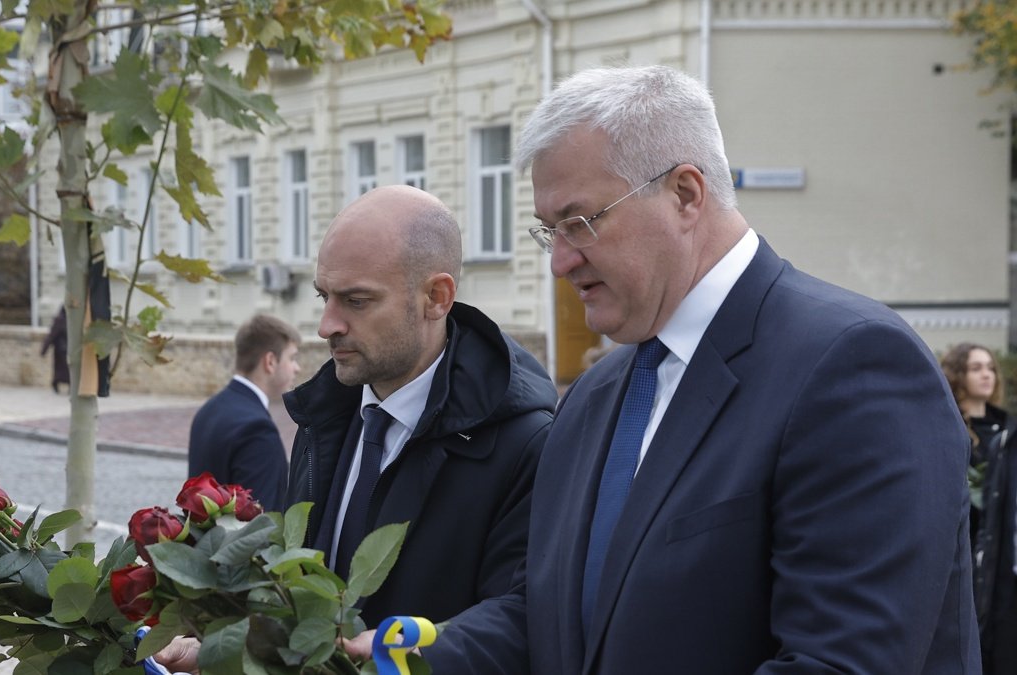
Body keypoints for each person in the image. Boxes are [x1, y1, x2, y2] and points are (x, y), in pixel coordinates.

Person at [427, 64, 979, 674]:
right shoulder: (594, 395)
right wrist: (404, 660)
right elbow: (553, 616)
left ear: (685, 194)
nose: (559, 262)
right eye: (549, 231)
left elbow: (841, 661)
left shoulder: (853, 367)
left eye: (580, 223)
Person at [155, 184, 558, 673]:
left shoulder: (525, 444)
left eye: (356, 300)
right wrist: (230, 649)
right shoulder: (325, 417)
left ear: (436, 297)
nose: (326, 325)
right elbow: (300, 601)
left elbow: (524, 622)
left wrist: (407, 657)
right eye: (324, 296)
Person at [941, 342, 1017, 674]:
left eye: (990, 368)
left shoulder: (1008, 432)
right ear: (958, 376)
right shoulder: (948, 428)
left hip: (1000, 563)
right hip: (962, 556)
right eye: (975, 368)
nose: (987, 375)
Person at [187, 314, 302, 512]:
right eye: (292, 358)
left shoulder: (208, 410)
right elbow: (262, 522)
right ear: (270, 361)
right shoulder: (257, 428)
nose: (297, 368)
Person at [40, 306, 68, 393]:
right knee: (64, 369)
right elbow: (52, 335)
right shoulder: (61, 320)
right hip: (62, 350)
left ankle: (57, 383)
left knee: (62, 369)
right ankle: (58, 384)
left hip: (61, 350)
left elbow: (51, 335)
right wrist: (44, 349)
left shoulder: (60, 320)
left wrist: (44, 349)